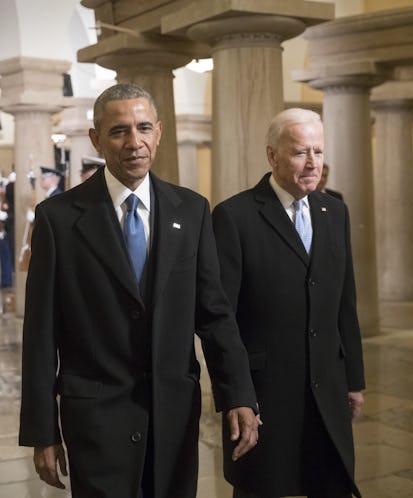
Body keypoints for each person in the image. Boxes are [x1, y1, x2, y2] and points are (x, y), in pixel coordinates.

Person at [20, 83, 259, 498]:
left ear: (159, 132)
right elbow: (40, 334)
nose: (135, 142)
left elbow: (215, 314)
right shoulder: (58, 220)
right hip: (95, 420)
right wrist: (42, 429)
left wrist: (238, 392)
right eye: (119, 131)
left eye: (144, 128)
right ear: (96, 138)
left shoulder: (193, 210)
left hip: (173, 417)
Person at [212, 108, 365, 498]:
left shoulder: (335, 213)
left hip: (327, 388)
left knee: (331, 483)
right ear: (272, 156)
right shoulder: (235, 216)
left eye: (318, 151)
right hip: (265, 394)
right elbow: (220, 319)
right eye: (300, 152)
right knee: (263, 487)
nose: (313, 162)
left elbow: (345, 302)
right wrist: (236, 395)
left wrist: (354, 380)